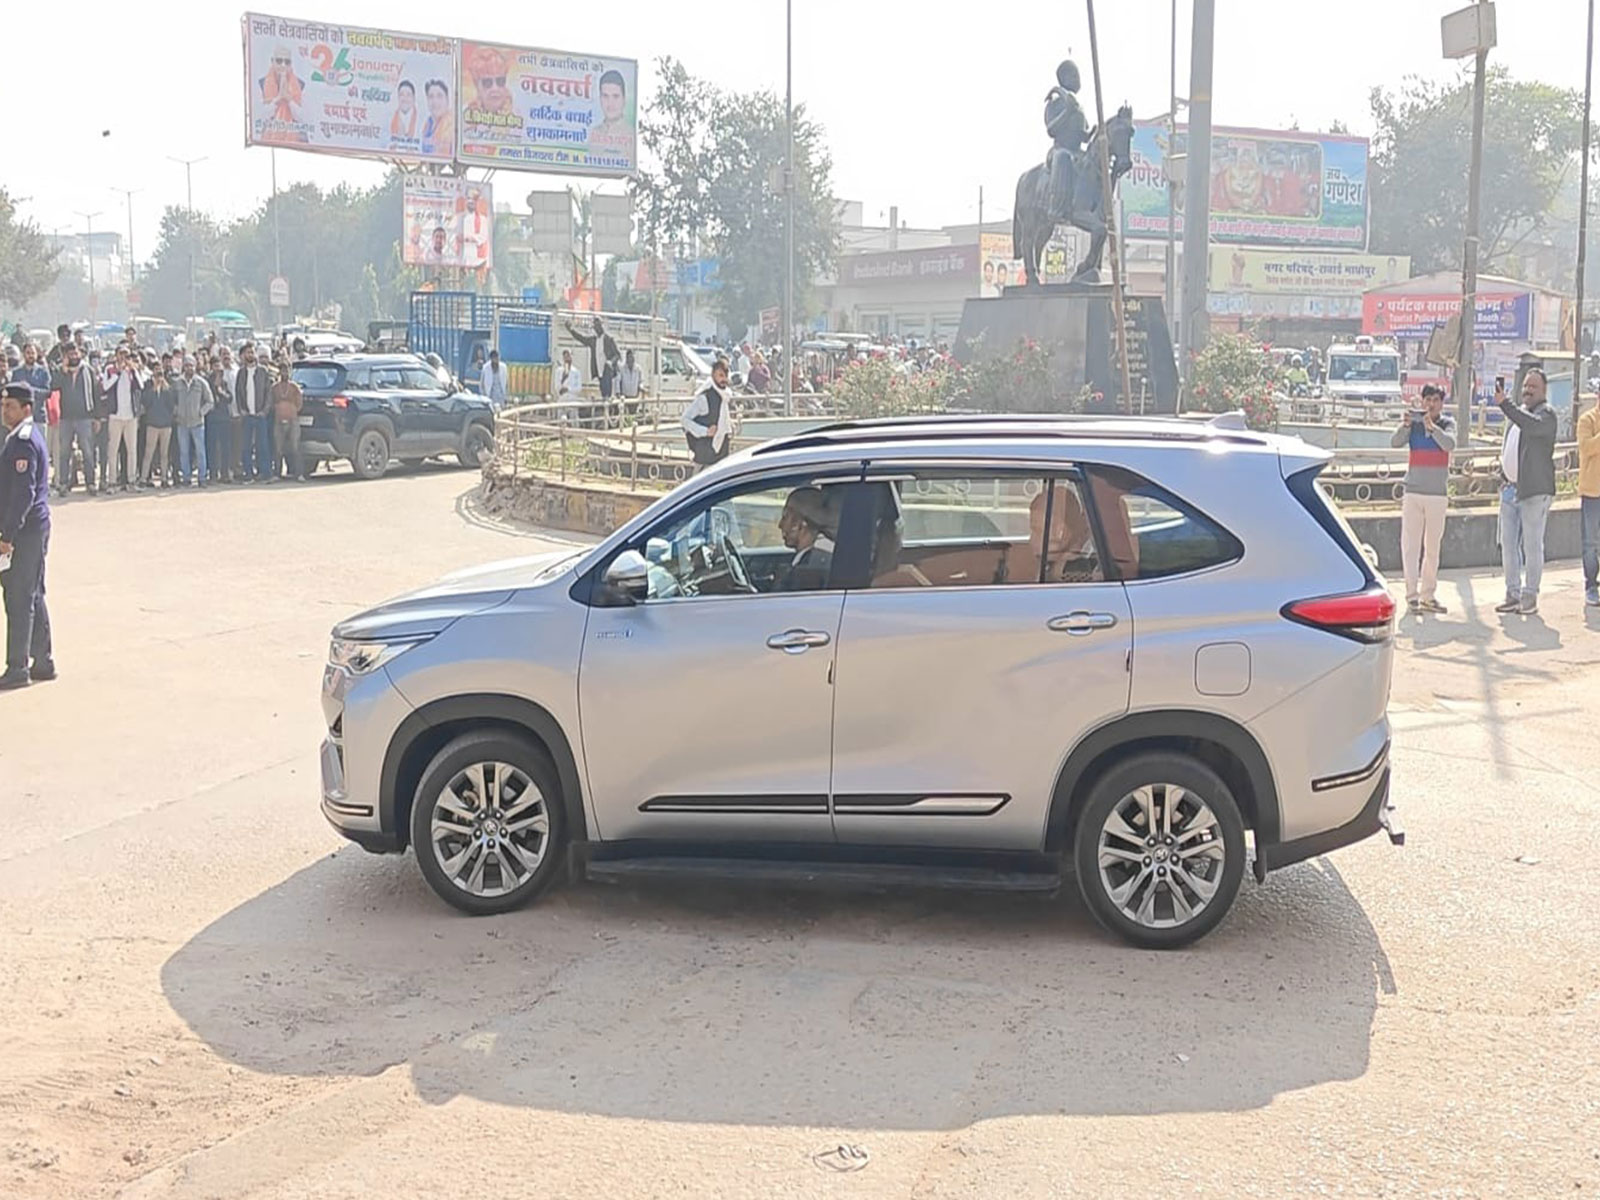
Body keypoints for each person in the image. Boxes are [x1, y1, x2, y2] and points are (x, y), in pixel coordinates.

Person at [0, 382, 54, 689]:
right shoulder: (23, 437)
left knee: (19, 597)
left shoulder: (22, 441)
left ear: (27, 409)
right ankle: (43, 661)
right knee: (32, 593)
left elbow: (23, 494)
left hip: (25, 531)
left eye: (10, 406)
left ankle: (18, 667)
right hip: (32, 528)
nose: (4, 410)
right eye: (3, 405)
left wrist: (7, 535)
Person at [1496, 369, 1558, 615]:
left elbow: (1531, 427)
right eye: (1525, 386)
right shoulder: (1517, 415)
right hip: (1510, 491)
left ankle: (1530, 596)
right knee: (1508, 545)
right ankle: (1512, 594)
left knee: (1532, 546)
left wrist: (1506, 405)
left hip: (1534, 492)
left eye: (1533, 386)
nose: (1528, 390)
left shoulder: (1546, 415)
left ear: (1543, 390)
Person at [1391, 385, 1456, 615]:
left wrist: (1433, 428)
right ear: (1422, 401)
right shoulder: (1414, 425)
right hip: (1413, 491)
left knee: (1432, 548)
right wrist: (1406, 425)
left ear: (1441, 403)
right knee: (1410, 546)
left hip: (1437, 494)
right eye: (1427, 399)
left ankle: (1428, 594)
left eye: (1435, 400)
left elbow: (1449, 445)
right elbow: (1395, 442)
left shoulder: (1447, 424)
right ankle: (1412, 596)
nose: (1431, 404)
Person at [1043, 60, 1089, 221]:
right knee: (1063, 158)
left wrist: (1094, 135)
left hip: (1077, 151)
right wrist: (1067, 112)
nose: (1078, 79)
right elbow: (1051, 129)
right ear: (1064, 78)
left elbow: (1084, 134)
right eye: (1074, 75)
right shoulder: (1055, 103)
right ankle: (1056, 207)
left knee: (1094, 162)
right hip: (1060, 150)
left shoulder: (1078, 106)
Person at [52, 342, 99, 497]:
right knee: (64, 452)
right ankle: (64, 483)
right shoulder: (61, 372)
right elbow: (53, 386)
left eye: (75, 353)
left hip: (85, 417)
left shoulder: (88, 371)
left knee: (87, 452)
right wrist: (63, 371)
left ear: (80, 354)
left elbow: (95, 394)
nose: (73, 356)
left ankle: (90, 483)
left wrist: (97, 417)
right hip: (66, 418)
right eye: (70, 354)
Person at [100, 346, 145, 494]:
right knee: (113, 450)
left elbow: (141, 385)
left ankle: (131, 481)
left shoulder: (132, 371)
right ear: (116, 355)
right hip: (115, 416)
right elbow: (105, 386)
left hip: (130, 416)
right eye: (122, 354)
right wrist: (117, 373)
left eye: (127, 354)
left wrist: (133, 370)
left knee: (132, 450)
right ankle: (112, 482)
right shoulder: (110, 369)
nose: (124, 357)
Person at [777, 486, 836, 590]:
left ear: (802, 523)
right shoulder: (815, 558)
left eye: (785, 517)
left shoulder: (812, 568)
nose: (780, 525)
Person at [681, 359, 733, 469]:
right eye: (720, 375)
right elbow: (685, 420)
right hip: (705, 456)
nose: (723, 379)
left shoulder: (725, 397)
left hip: (721, 456)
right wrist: (704, 431)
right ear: (713, 376)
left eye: (725, 375)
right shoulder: (704, 398)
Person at [172, 354, 214, 487]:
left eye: (191, 365)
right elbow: (172, 401)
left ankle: (202, 478)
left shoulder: (201, 383)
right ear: (183, 367)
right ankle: (186, 478)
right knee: (184, 452)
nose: (189, 368)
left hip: (197, 423)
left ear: (195, 367)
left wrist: (201, 412)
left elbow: (210, 401)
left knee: (200, 452)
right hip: (182, 423)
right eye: (187, 365)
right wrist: (176, 411)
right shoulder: (177, 383)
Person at [234, 343, 272, 482]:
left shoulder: (263, 372)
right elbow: (238, 393)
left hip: (260, 415)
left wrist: (264, 411)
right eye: (247, 353)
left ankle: (265, 474)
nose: (250, 355)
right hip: (247, 416)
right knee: (246, 447)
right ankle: (248, 474)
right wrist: (241, 410)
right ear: (244, 355)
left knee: (263, 445)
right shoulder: (241, 372)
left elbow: (269, 394)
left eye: (252, 352)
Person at [1579, 392, 1600, 608]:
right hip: (1593, 492)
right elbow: (1586, 448)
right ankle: (1591, 586)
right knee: (1591, 543)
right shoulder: (1588, 420)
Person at [269, 354, 305, 482]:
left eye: (287, 370)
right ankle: (277, 474)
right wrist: (279, 408)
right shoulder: (275, 388)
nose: (285, 373)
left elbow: (299, 403)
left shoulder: (295, 387)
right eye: (282, 370)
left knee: (295, 447)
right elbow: (271, 403)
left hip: (292, 420)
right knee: (278, 448)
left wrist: (292, 410)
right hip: (278, 421)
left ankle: (298, 473)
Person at [139, 365, 177, 487]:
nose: (159, 377)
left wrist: (165, 388)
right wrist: (154, 389)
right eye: (156, 374)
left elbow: (172, 405)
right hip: (152, 424)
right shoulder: (148, 386)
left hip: (166, 425)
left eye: (160, 374)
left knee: (164, 453)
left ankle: (164, 478)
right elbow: (145, 402)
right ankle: (144, 478)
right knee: (148, 452)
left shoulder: (168, 388)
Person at [565, 317, 618, 400]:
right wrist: (571, 330)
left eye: (599, 325)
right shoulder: (594, 340)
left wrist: (610, 362)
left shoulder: (609, 339)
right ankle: (606, 403)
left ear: (602, 325)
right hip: (599, 372)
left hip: (608, 371)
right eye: (595, 326)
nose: (598, 328)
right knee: (603, 392)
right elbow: (581, 338)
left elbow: (617, 355)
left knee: (608, 394)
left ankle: (608, 402)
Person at [209, 346, 238, 483]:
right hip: (212, 419)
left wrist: (220, 391)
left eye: (219, 367)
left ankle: (225, 473)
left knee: (226, 447)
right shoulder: (207, 381)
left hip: (224, 418)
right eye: (215, 366)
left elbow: (229, 398)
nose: (218, 369)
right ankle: (213, 474)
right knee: (213, 447)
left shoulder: (225, 382)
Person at [421, 79, 454, 158]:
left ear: (447, 100)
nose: (435, 101)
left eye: (439, 96)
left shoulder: (451, 126)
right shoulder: (427, 124)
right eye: (431, 97)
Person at [390, 79, 419, 144]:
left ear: (414, 98)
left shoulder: (421, 121)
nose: (405, 99)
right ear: (398, 97)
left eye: (408, 95)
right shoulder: (390, 119)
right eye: (402, 95)